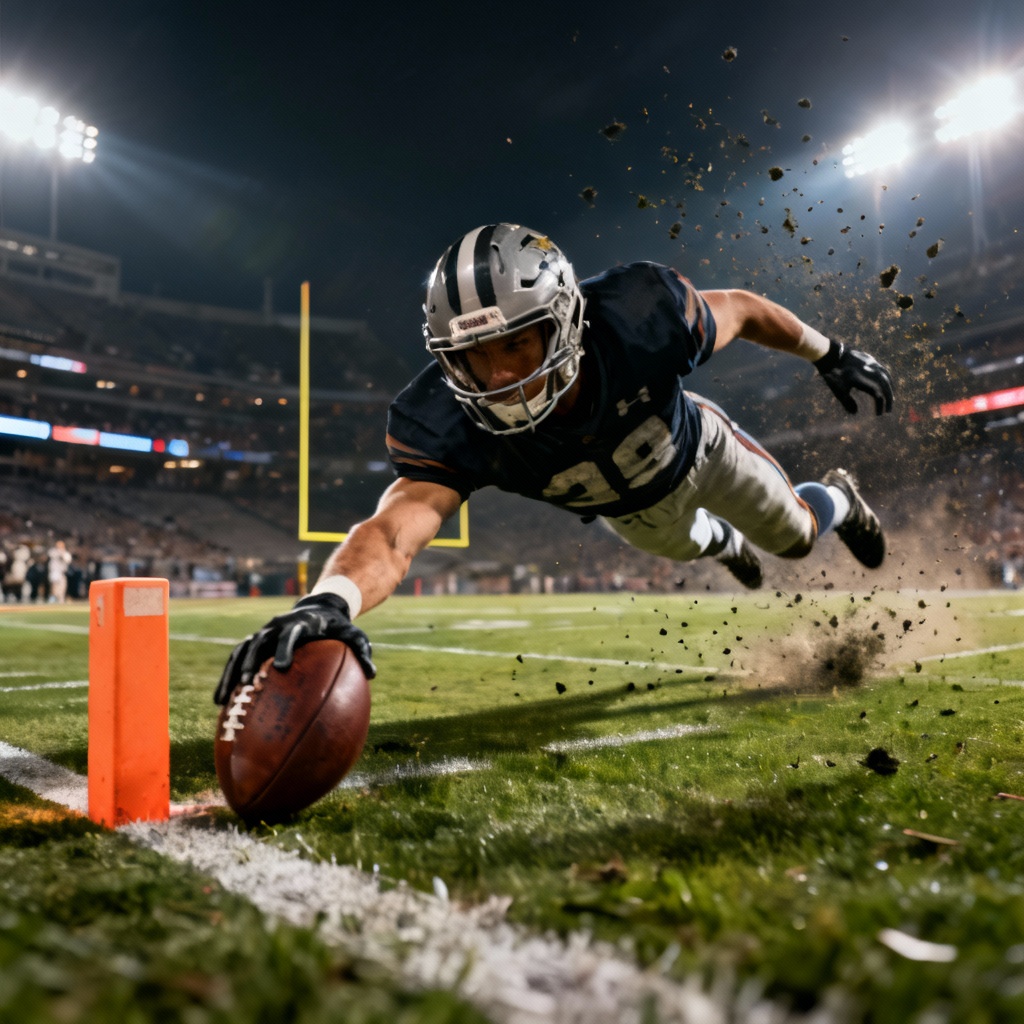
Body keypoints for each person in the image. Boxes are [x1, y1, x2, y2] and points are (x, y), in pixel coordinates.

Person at [215, 223, 894, 703]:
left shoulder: (635, 317)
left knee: (797, 538)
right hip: (630, 513)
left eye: (516, 345)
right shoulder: (445, 418)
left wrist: (829, 353)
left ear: (565, 320)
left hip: (702, 451)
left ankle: (840, 498)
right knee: (695, 545)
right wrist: (330, 599)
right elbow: (394, 530)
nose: (497, 376)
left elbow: (741, 309)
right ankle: (724, 543)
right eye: (472, 357)